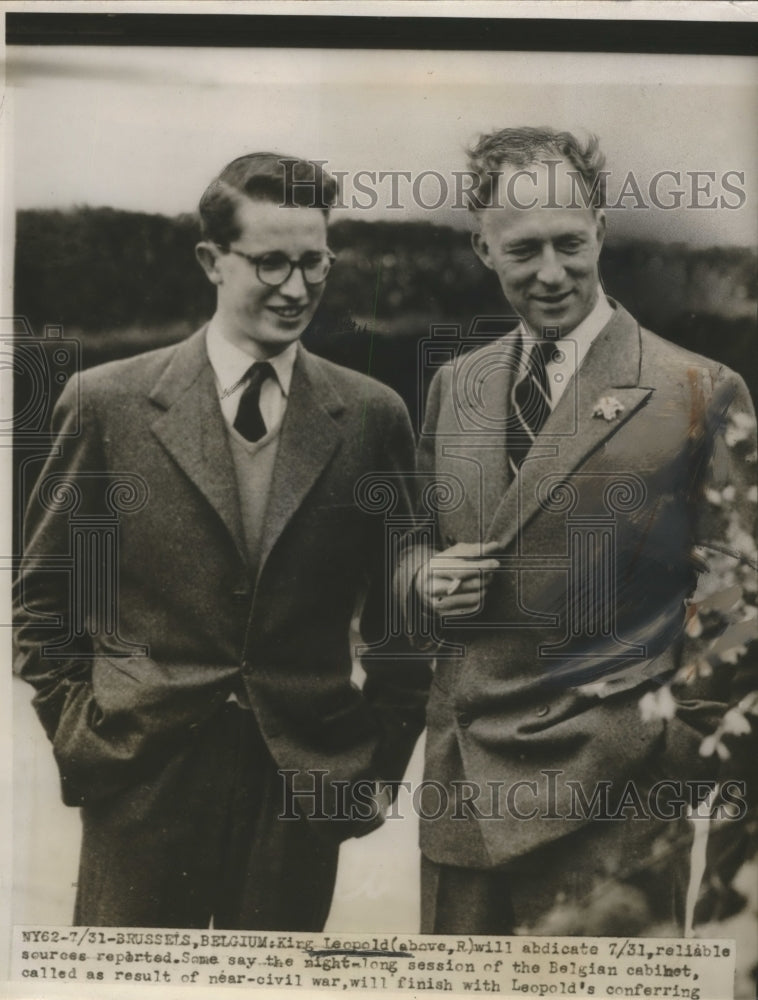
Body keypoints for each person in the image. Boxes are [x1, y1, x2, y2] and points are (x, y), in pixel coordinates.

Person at [14, 153, 430, 929]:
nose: (297, 287)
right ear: (212, 260)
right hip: (142, 780)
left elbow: (405, 620)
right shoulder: (108, 403)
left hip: (300, 786)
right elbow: (46, 601)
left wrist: (377, 766)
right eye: (271, 262)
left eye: (315, 263)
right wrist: (86, 739)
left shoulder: (374, 416)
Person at [402, 127, 756, 935]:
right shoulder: (457, 385)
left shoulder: (699, 388)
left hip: (615, 811)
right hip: (464, 807)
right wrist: (421, 578)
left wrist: (662, 758)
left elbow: (737, 606)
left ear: (601, 228)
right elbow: (413, 545)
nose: (552, 272)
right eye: (524, 249)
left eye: (571, 242)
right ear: (482, 246)